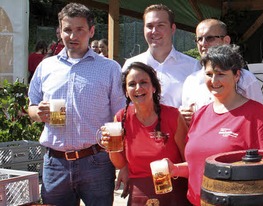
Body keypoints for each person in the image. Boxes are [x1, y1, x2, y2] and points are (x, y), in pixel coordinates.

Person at [27, 3, 126, 205]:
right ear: (59, 32)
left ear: (91, 31)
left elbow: (121, 116)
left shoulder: (109, 68)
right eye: (67, 30)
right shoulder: (46, 67)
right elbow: (32, 106)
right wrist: (39, 113)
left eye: (79, 29)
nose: (73, 36)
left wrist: (124, 162)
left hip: (96, 161)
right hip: (55, 164)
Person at [168, 44, 263, 206]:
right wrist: (174, 169)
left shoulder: (257, 115)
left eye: (221, 74)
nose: (214, 81)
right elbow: (198, 164)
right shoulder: (200, 114)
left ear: (237, 75)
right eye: (209, 74)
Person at [101, 62, 190, 205]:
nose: (138, 88)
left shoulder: (172, 116)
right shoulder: (121, 118)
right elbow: (120, 163)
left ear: (154, 87)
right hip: (140, 194)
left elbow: (189, 159)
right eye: (132, 84)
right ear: (125, 91)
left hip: (173, 192)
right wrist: (110, 147)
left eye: (144, 82)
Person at [181, 18, 263, 125]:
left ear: (226, 41)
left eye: (210, 38)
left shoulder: (245, 78)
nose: (203, 43)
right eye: (199, 39)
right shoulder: (191, 81)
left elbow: (259, 118)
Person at [122, 4, 199, 108]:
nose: (154, 31)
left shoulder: (192, 67)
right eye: (149, 26)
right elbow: (123, 104)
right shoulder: (130, 65)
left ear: (173, 28)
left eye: (160, 25)